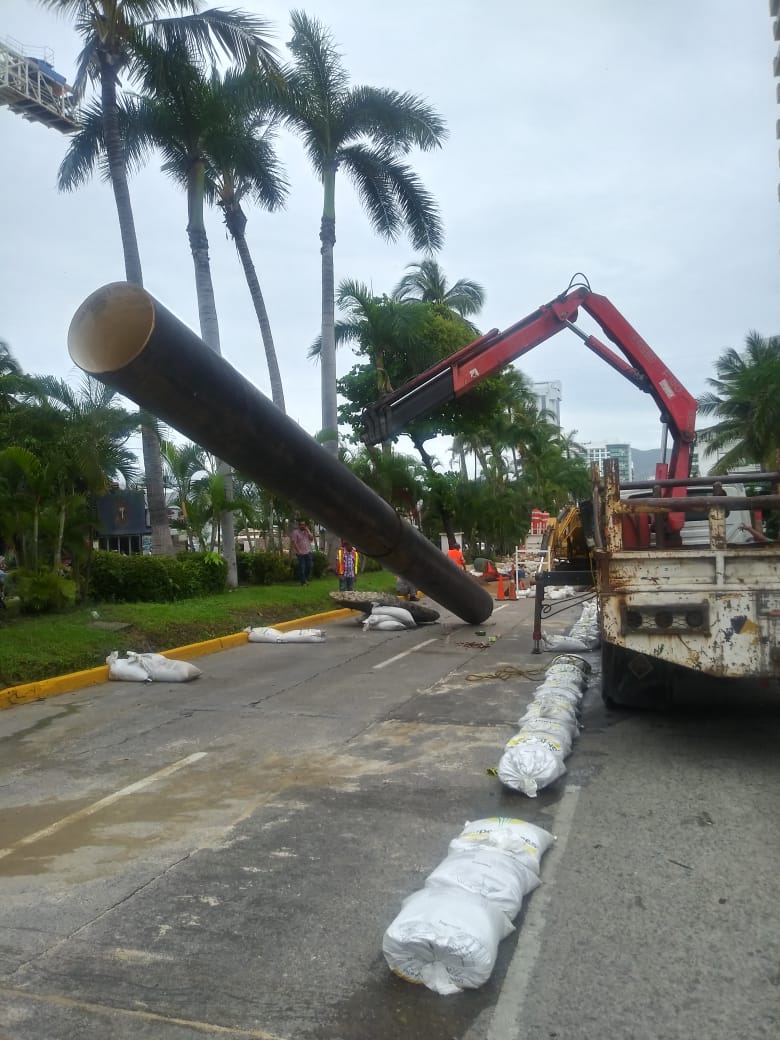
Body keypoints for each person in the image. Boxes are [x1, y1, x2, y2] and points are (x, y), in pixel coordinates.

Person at [291, 518, 314, 585]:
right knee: (302, 567)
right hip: (300, 553)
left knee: (309, 566)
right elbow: (294, 542)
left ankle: (304, 579)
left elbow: (311, 539)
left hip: (308, 552)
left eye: (303, 525)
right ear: (299, 525)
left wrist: (308, 530)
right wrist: (299, 551)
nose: (302, 526)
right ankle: (303, 582)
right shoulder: (295, 532)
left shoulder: (307, 532)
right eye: (301, 525)